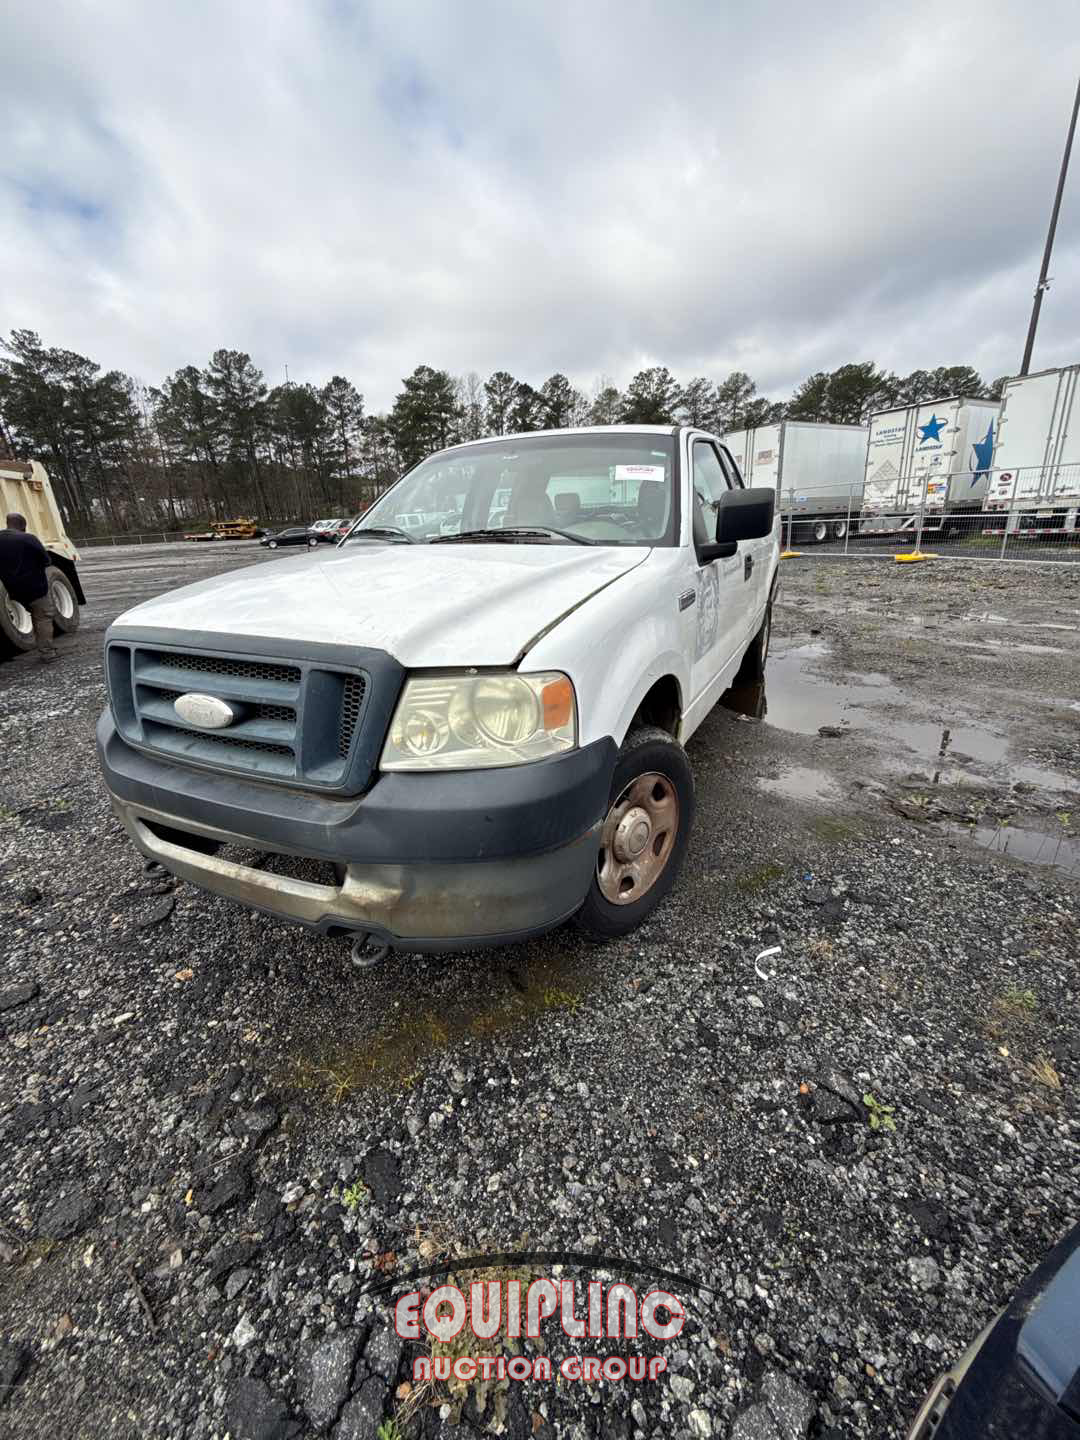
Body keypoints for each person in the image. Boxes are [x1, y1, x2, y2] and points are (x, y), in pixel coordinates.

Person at [0, 512, 58, 662]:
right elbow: (46, 561)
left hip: (13, 591)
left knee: (35, 614)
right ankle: (47, 653)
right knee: (43, 617)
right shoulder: (28, 538)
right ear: (23, 525)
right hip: (35, 588)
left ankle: (42, 645)